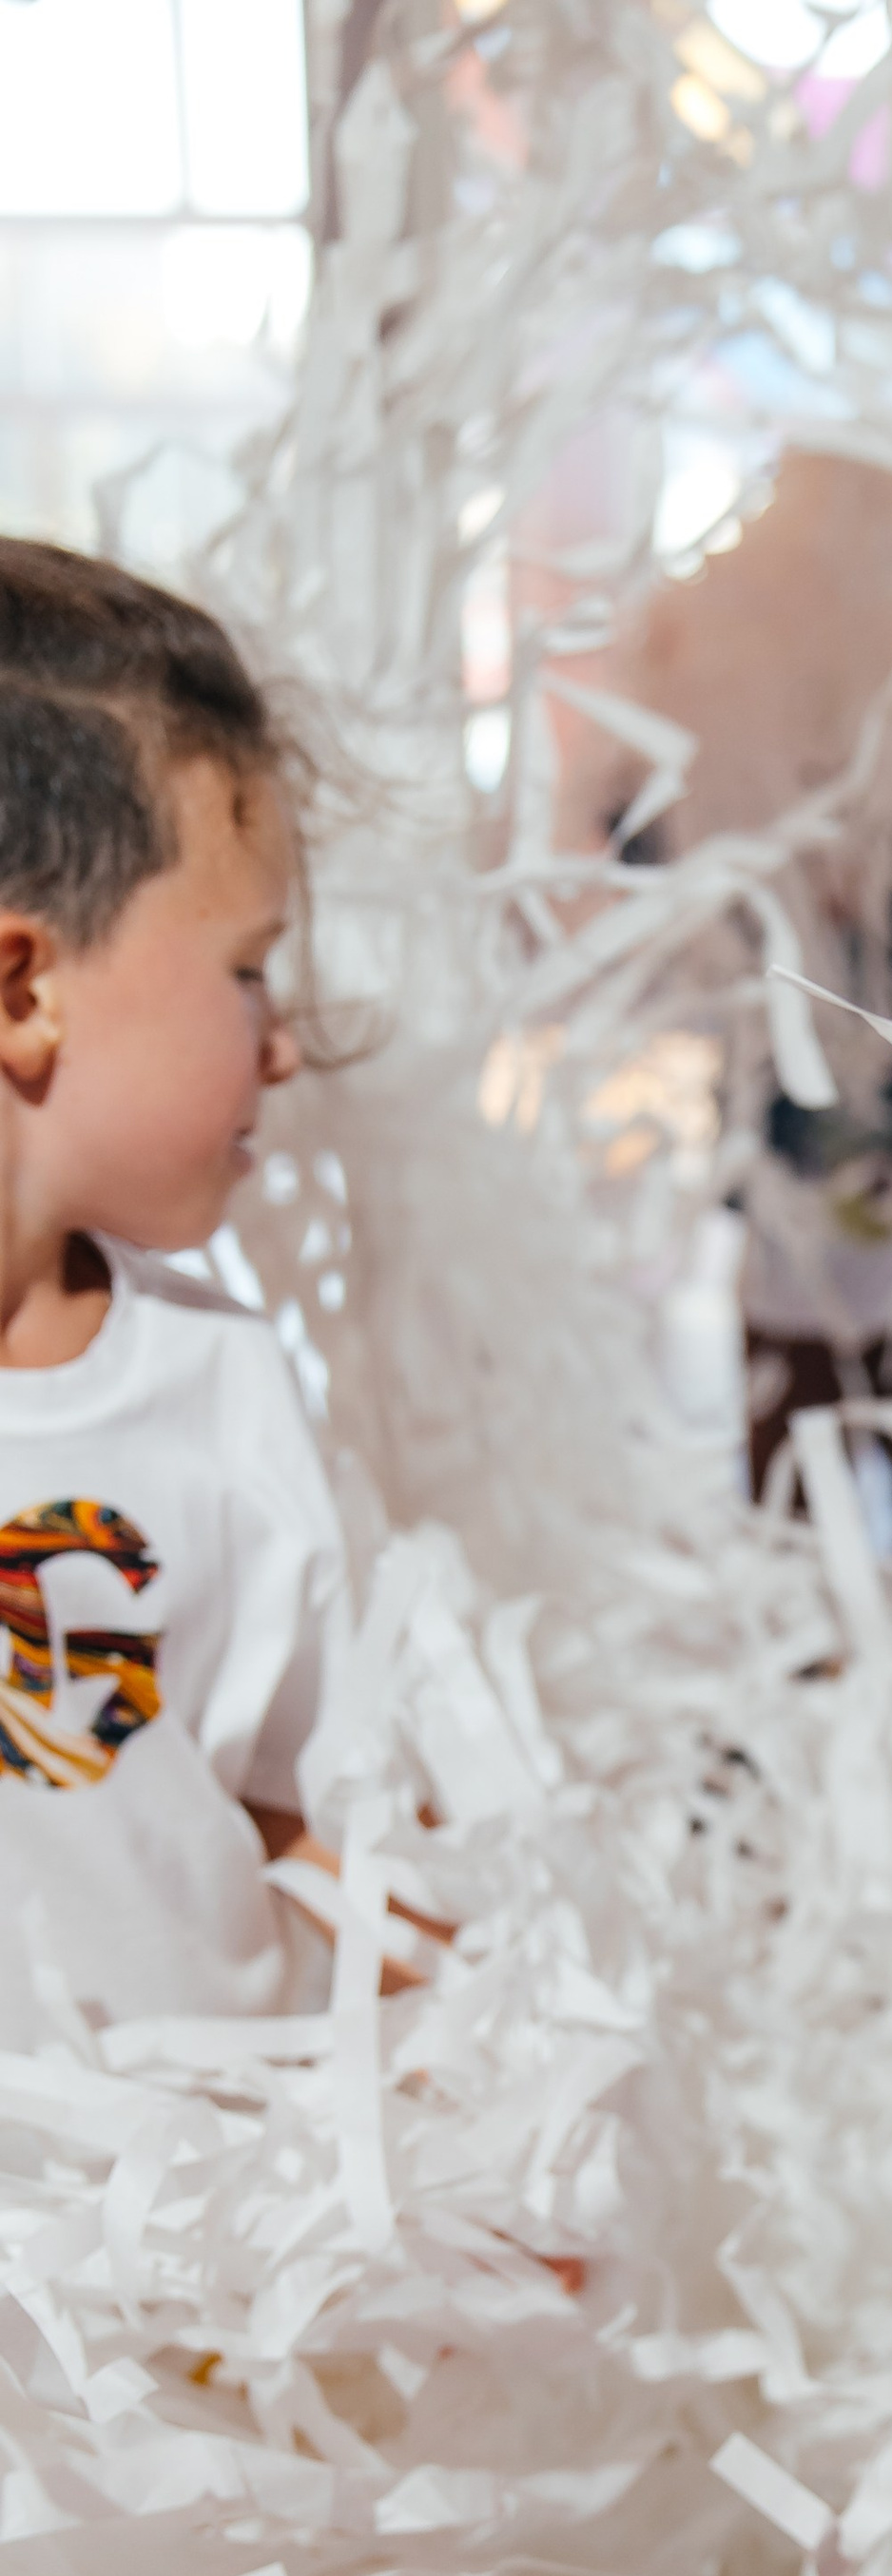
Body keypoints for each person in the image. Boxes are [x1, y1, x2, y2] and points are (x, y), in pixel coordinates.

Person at [0, 538, 360, 2048]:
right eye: (248, 968)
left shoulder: (220, 1392)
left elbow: (309, 1816)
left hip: (201, 2184)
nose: (282, 1044)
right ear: (24, 988)